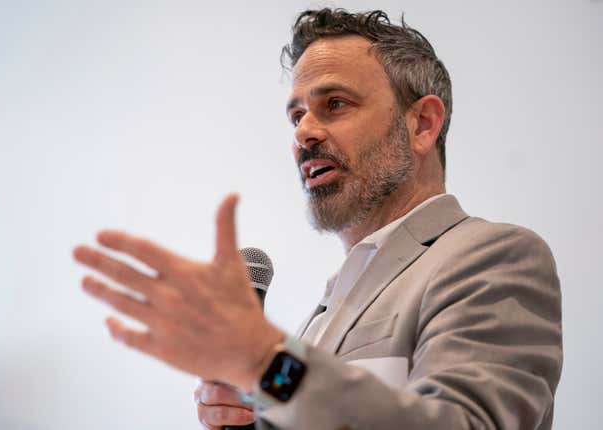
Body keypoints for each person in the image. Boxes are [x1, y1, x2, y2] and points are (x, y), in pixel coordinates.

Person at [73, 8, 563, 430]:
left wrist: (265, 361)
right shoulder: (324, 312)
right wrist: (252, 409)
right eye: (296, 115)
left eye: (335, 104)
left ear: (422, 123)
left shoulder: (493, 258)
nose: (304, 131)